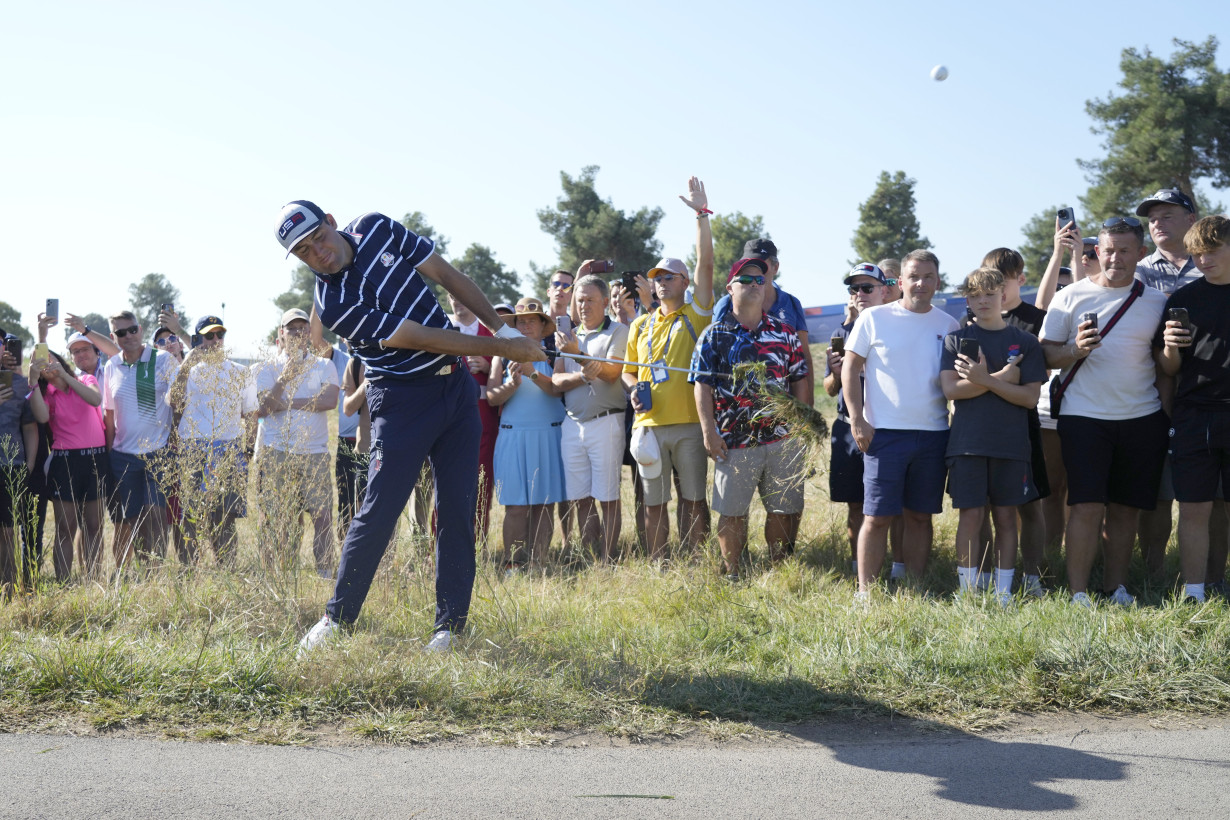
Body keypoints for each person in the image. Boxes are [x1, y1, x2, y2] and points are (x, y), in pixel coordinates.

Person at [277, 200, 544, 655]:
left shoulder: (377, 227)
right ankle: (337, 619)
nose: (317, 252)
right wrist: (498, 345)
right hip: (401, 401)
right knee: (379, 510)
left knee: (457, 510)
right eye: (304, 252)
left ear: (331, 222)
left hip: (456, 392)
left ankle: (449, 629)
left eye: (317, 237)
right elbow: (418, 336)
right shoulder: (334, 303)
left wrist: (504, 329)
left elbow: (446, 274)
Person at [1039, 217, 1168, 607]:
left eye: (1125, 250)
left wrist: (1165, 416)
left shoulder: (1157, 301)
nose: (1115, 257)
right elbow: (1045, 353)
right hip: (1084, 417)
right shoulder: (1070, 296)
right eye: (1108, 250)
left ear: (1141, 254)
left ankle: (1116, 587)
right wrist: (1075, 350)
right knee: (1086, 506)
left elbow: (1164, 363)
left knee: (1126, 509)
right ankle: (1078, 593)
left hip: (1141, 417)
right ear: (1097, 252)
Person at [843, 250, 960, 597]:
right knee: (877, 517)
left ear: (937, 282)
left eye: (928, 277)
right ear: (900, 281)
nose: (920, 283)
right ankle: (866, 593)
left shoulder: (948, 325)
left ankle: (916, 589)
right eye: (914, 276)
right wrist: (857, 419)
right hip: (883, 434)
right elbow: (850, 368)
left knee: (921, 517)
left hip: (934, 433)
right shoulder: (874, 319)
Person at [693, 258, 809, 577]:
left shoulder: (785, 333)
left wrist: (801, 426)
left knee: (783, 510)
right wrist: (709, 432)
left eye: (761, 280)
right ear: (730, 287)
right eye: (746, 279)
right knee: (732, 512)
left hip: (782, 437)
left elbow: (800, 377)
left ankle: (778, 570)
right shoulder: (713, 336)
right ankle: (733, 572)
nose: (755, 284)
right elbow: (701, 385)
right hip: (734, 440)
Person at [621, 177, 715, 561]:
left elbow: (707, 263)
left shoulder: (698, 311)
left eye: (669, 277)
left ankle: (695, 560)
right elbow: (629, 369)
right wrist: (632, 386)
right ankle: (660, 564)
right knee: (654, 502)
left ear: (685, 282)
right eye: (657, 278)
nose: (660, 283)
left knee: (692, 499)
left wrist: (701, 215)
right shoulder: (640, 324)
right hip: (648, 426)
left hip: (690, 424)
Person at [941, 269, 1046, 604]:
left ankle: (1003, 592)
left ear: (1003, 294)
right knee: (970, 515)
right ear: (967, 299)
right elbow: (951, 390)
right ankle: (967, 591)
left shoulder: (1026, 341)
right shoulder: (956, 339)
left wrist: (985, 380)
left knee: (1005, 517)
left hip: (1012, 446)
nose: (982, 301)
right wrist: (1002, 378)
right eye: (974, 295)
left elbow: (1029, 398)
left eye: (989, 293)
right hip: (967, 445)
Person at [1132, 188, 1218, 583]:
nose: (1157, 223)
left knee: (1212, 502)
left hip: (1209, 400)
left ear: (1191, 219)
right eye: (1152, 218)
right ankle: (1154, 577)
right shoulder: (1135, 269)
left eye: (1167, 215)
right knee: (1157, 496)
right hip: (1151, 398)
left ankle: (1212, 578)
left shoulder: (1212, 260)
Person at [1154, 215, 1230, 602]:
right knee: (1194, 508)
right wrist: (1169, 346)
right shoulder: (1182, 299)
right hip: (1194, 413)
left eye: (1212, 252)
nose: (1203, 261)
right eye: (1197, 254)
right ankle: (1194, 592)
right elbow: (1169, 369)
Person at [972, 248, 1050, 597]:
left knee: (1030, 505)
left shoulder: (1036, 319)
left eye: (1002, 281)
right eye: (988, 281)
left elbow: (1037, 376)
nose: (995, 289)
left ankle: (1033, 578)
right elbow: (961, 378)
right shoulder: (969, 320)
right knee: (985, 505)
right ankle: (987, 576)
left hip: (1024, 425)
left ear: (1020, 278)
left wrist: (989, 379)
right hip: (978, 427)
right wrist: (1005, 376)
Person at [825, 264, 904, 578]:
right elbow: (830, 390)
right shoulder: (840, 333)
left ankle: (900, 569)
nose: (859, 294)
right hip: (847, 425)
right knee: (855, 504)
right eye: (853, 289)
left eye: (866, 288)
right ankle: (859, 568)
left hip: (888, 425)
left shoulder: (899, 326)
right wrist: (835, 374)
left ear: (884, 290)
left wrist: (863, 371)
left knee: (894, 505)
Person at [253, 309, 339, 576]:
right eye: (292, 329)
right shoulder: (267, 368)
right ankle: (284, 573)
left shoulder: (324, 365)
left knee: (323, 516)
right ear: (282, 333)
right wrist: (284, 379)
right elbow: (265, 408)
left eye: (304, 328)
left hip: (315, 453)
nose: (299, 333)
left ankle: (325, 573)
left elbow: (329, 401)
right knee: (283, 519)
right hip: (277, 453)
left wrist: (287, 403)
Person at [169, 315, 257, 566]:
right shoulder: (186, 371)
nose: (216, 340)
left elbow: (251, 413)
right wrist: (186, 365)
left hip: (228, 448)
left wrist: (248, 449)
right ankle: (189, 572)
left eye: (220, 335)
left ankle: (227, 571)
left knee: (225, 516)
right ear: (198, 340)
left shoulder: (241, 371)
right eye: (209, 336)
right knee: (191, 515)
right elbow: (174, 403)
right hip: (193, 448)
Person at [553, 276, 628, 563]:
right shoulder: (568, 336)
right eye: (579, 300)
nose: (583, 306)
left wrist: (579, 355)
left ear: (606, 303)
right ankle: (589, 557)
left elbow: (611, 373)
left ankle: (608, 559)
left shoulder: (618, 331)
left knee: (608, 497)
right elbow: (557, 379)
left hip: (606, 421)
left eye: (590, 300)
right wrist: (580, 373)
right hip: (572, 423)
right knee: (580, 497)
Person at [487, 298, 566, 570]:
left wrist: (532, 374)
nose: (526, 325)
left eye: (533, 320)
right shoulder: (503, 354)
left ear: (543, 325)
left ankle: (538, 563)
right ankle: (511, 564)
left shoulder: (555, 352)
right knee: (516, 506)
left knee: (544, 506)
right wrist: (512, 384)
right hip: (513, 435)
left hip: (548, 435)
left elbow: (558, 390)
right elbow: (492, 397)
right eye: (521, 320)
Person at [102, 309, 179, 569]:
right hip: (123, 457)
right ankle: (140, 572)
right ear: (114, 337)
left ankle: (155, 574)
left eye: (132, 329)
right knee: (131, 522)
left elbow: (179, 402)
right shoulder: (112, 365)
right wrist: (109, 454)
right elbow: (109, 414)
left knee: (156, 517)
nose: (129, 336)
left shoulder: (163, 360)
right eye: (121, 332)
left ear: (141, 329)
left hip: (158, 453)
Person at [28, 349, 107, 580]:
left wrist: (66, 375)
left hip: (95, 457)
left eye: (49, 360)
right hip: (65, 461)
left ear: (59, 361)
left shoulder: (85, 379)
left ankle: (93, 580)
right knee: (65, 526)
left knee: (94, 525)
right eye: (39, 364)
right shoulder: (45, 394)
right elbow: (42, 418)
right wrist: (32, 382)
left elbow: (95, 399)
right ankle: (64, 582)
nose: (46, 366)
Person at [449, 293, 500, 542]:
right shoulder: (442, 329)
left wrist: (489, 367)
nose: (459, 301)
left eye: (462, 295)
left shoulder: (490, 334)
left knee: (481, 484)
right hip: (447, 420)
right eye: (452, 297)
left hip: (483, 418)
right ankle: (440, 547)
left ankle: (476, 545)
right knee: (447, 485)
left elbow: (505, 374)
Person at [0, 339, 37, 593]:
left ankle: (8, 590)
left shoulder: (19, 384)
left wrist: (30, 464)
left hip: (11, 466)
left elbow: (30, 427)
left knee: (8, 532)